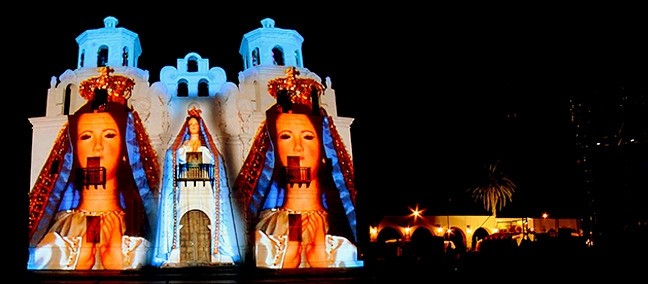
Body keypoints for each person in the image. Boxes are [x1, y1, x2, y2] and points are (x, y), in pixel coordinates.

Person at [28, 68, 159, 270]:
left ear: (126, 149)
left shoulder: (136, 232)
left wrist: (118, 259)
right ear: (74, 150)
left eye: (109, 135)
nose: (96, 148)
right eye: (86, 137)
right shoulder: (58, 235)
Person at [235, 67, 361, 269]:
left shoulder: (340, 232)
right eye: (285, 136)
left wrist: (319, 256)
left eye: (308, 136)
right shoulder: (264, 229)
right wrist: (289, 257)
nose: (297, 148)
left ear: (323, 150)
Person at [153, 106, 241, 267]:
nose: (193, 127)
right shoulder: (182, 147)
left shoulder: (206, 148)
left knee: (208, 213)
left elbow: (215, 160)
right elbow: (174, 156)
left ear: (200, 126)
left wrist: (201, 152)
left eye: (195, 124)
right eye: (191, 124)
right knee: (182, 213)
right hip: (186, 184)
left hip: (204, 184)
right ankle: (178, 251)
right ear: (187, 127)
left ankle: (213, 251)